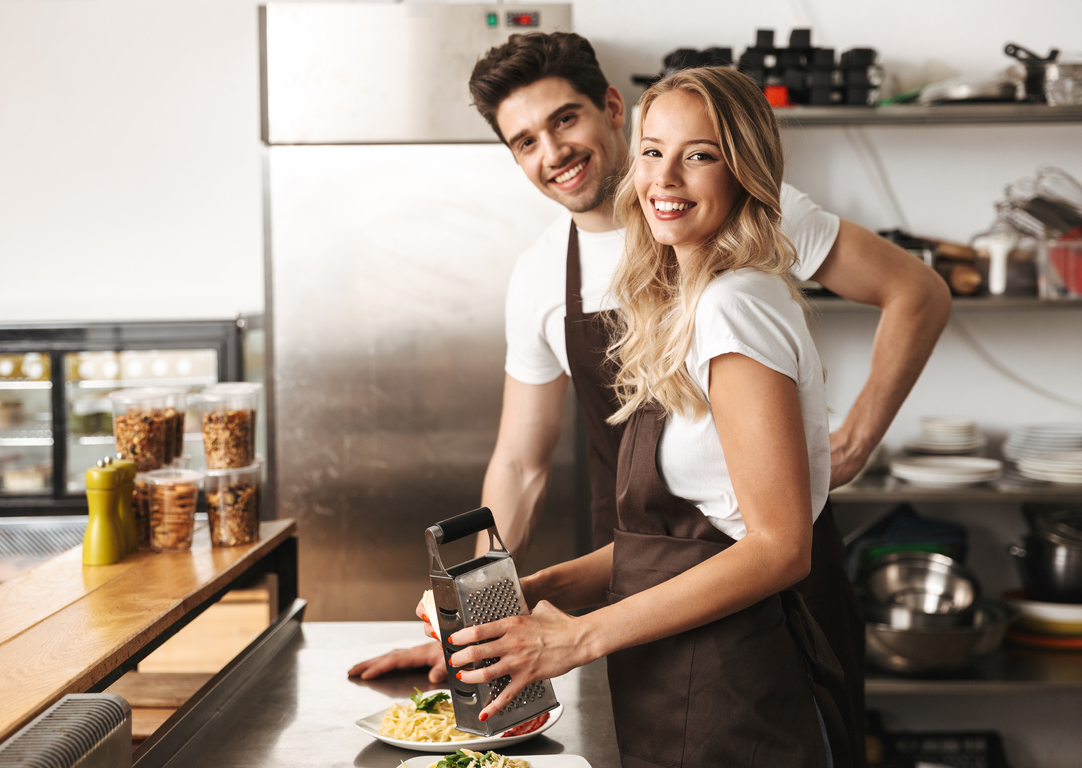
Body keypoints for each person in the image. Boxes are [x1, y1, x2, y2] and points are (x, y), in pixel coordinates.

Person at [349, 32, 950, 764]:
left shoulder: (730, 256)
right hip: (641, 565)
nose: (553, 153)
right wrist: (481, 616)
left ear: (612, 109)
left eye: (564, 121)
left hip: (755, 587)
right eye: (525, 141)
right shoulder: (563, 273)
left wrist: (851, 442)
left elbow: (914, 292)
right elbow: (519, 463)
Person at [449, 65, 848, 766]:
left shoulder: (732, 308)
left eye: (700, 155)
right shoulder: (691, 300)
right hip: (685, 670)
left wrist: (580, 635)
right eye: (654, 151)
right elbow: (698, 532)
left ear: (746, 169)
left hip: (735, 681)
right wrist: (543, 588)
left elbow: (778, 547)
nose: (665, 179)